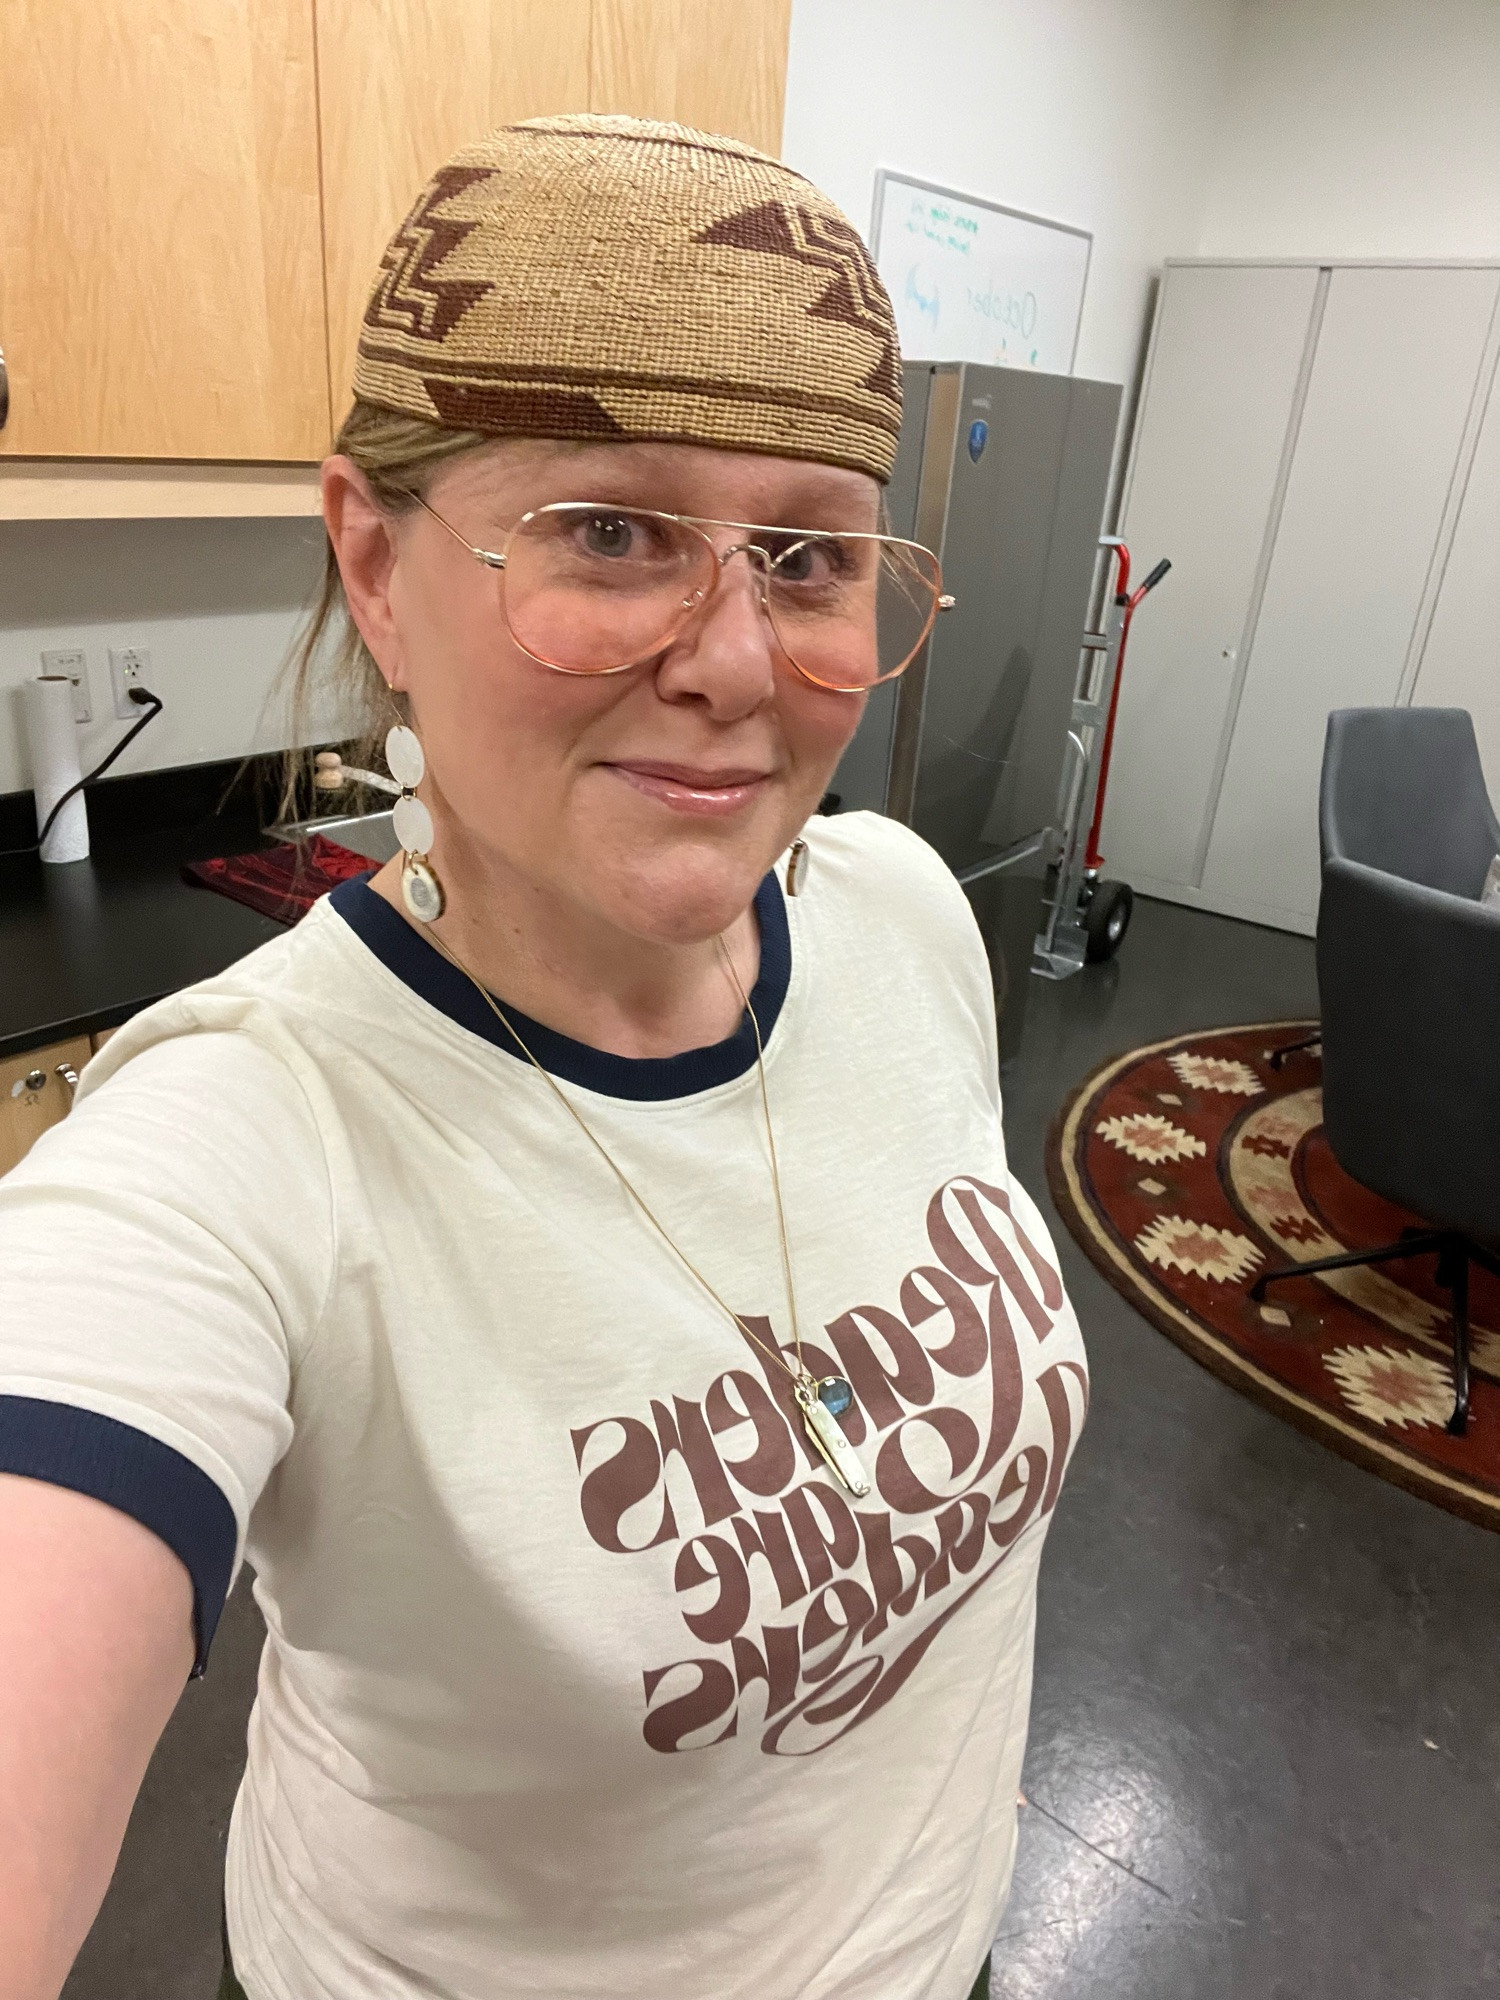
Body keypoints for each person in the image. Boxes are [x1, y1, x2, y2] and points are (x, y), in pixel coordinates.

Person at [0, 116, 1088, 2000]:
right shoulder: (244, 1139)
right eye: (610, 531)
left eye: (813, 557)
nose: (740, 661)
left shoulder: (901, 913)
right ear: (374, 560)